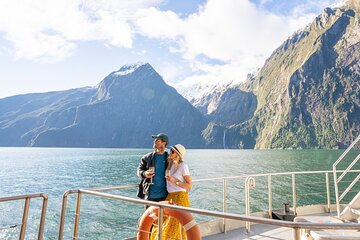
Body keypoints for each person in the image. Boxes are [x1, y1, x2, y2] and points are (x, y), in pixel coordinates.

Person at [150, 144, 192, 240]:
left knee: (174, 226)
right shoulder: (170, 164)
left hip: (180, 198)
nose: (170, 152)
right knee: (163, 222)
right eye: (170, 150)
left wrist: (175, 181)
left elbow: (189, 185)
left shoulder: (183, 166)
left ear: (178, 154)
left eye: (173, 151)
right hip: (170, 197)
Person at [137, 133, 169, 202]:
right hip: (150, 195)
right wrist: (145, 173)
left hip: (166, 195)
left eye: (157, 140)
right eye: (154, 140)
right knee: (150, 213)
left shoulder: (169, 158)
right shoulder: (147, 157)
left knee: (164, 213)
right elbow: (139, 170)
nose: (154, 141)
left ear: (164, 143)